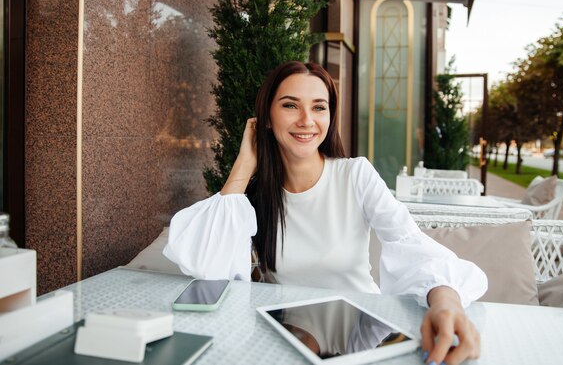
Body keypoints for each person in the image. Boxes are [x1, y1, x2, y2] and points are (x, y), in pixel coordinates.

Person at [164, 61, 487, 365]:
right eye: (290, 105)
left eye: (319, 107)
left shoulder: (355, 175)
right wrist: (245, 164)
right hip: (286, 337)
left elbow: (409, 243)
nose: (307, 120)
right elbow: (207, 267)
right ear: (266, 117)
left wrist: (446, 303)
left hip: (361, 335)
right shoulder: (253, 194)